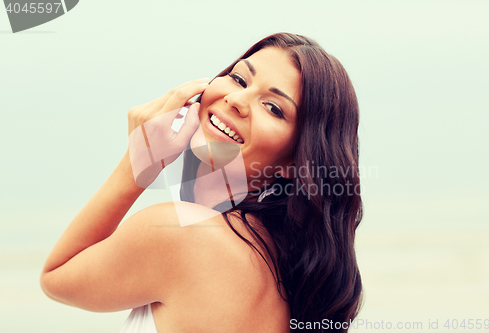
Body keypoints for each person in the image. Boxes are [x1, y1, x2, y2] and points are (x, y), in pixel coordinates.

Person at [40, 33, 363, 333]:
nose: (237, 99)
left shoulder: (183, 233)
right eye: (238, 78)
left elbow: (56, 278)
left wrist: (136, 164)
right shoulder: (280, 263)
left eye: (273, 107)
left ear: (295, 162)